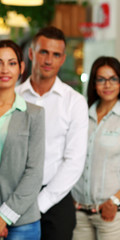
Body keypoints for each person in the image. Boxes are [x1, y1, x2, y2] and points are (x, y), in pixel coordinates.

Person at [16, 26, 88, 240]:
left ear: (63, 59)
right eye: (43, 52)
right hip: (13, 194)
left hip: (55, 201)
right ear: (31, 53)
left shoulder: (74, 102)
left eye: (56, 55)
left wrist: (40, 203)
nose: (49, 60)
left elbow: (74, 162)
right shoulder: (13, 96)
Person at [0, 40, 45, 240]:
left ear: (21, 68)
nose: (5, 70)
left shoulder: (34, 114)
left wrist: (3, 217)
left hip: (22, 221)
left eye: (12, 63)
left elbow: (34, 172)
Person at [72, 56, 120, 240]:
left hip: (110, 214)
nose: (107, 85)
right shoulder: (82, 114)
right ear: (93, 83)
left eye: (113, 79)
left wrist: (115, 200)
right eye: (101, 79)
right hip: (79, 212)